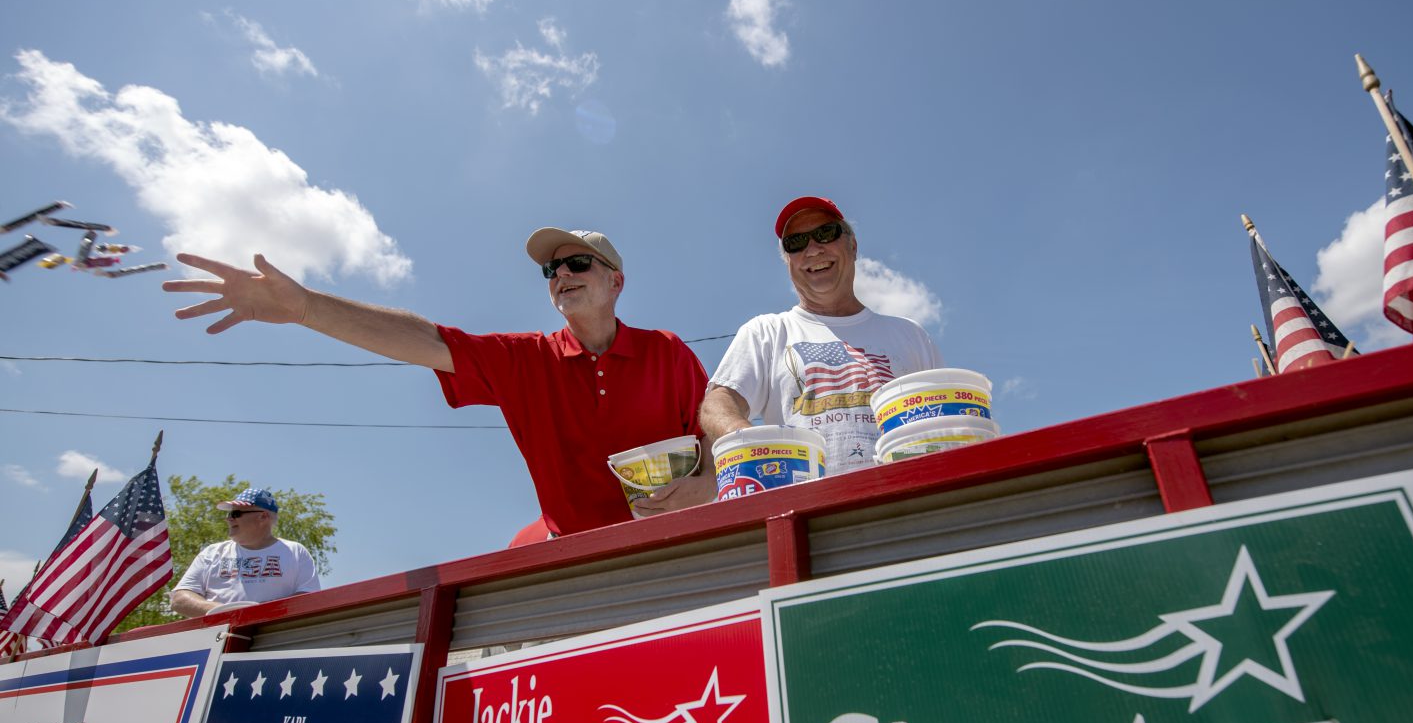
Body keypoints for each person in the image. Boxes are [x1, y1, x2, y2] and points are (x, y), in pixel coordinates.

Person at [162, 229, 712, 545]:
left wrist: (706, 484)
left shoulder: (668, 350)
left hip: (677, 547)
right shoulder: (525, 359)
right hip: (571, 559)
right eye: (550, 269)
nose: (560, 273)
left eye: (576, 262)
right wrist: (307, 307)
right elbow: (427, 340)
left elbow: (714, 437)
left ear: (615, 280)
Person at [701, 196, 942, 473]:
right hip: (808, 509)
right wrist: (748, 440)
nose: (813, 250)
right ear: (788, 262)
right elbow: (719, 403)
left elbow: (946, 421)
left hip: (906, 503)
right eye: (796, 243)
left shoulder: (911, 335)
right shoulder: (766, 332)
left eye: (825, 234)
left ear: (852, 246)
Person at [171, 487, 321, 617]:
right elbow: (179, 599)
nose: (228, 519)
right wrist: (228, 613)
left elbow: (308, 599)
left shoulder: (295, 552)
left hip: (272, 642)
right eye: (229, 514)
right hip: (216, 642)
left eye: (236, 514)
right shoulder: (211, 553)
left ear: (263, 516)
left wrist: (257, 615)